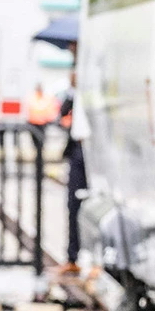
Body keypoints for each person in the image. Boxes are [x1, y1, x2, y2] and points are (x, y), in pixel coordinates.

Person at [58, 50, 89, 272]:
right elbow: (62, 111)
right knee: (73, 205)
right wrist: (72, 90)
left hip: (93, 151)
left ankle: (93, 258)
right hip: (77, 150)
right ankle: (73, 256)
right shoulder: (74, 91)